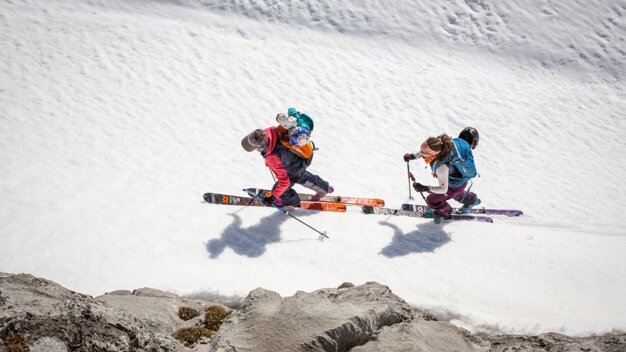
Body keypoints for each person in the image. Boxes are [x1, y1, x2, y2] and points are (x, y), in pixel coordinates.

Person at [241, 110, 333, 207]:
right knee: (305, 177)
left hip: (295, 167)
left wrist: (273, 198)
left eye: (256, 147)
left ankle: (291, 201)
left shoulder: (273, 158)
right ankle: (325, 188)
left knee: (286, 185)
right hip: (301, 155)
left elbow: (284, 182)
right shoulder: (270, 131)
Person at [403, 128, 481, 222]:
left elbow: (443, 189)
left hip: (453, 185)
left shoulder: (441, 168)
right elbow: (429, 149)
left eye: (424, 153)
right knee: (457, 194)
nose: (422, 154)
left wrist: (425, 188)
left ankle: (445, 211)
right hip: (460, 182)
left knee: (432, 200)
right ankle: (473, 200)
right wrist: (413, 156)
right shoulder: (441, 144)